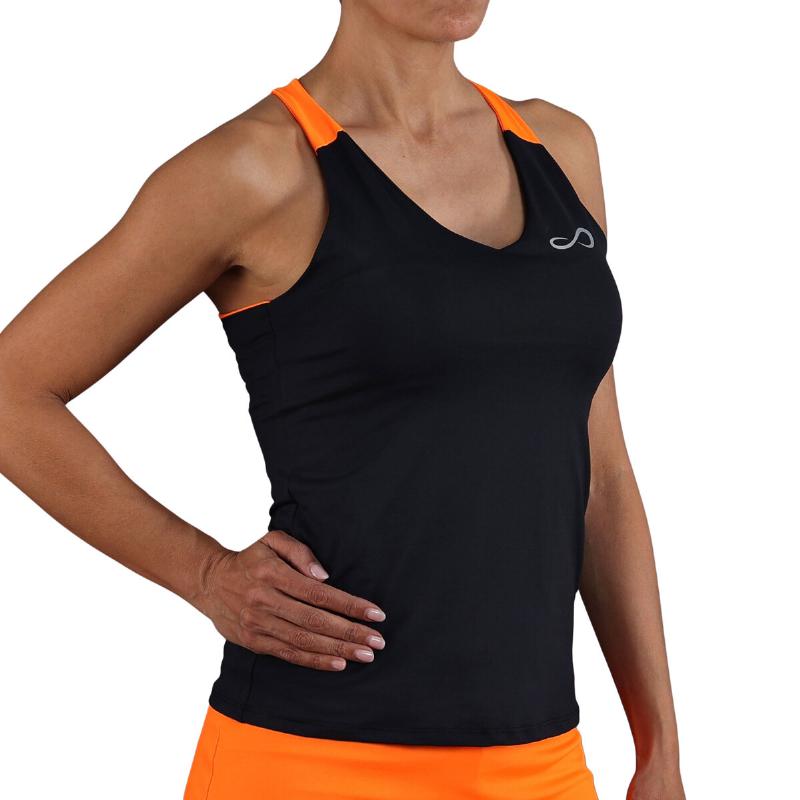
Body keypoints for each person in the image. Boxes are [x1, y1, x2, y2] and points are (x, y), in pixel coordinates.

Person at [0, 1, 686, 798]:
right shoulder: (256, 169)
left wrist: (659, 751)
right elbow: (15, 389)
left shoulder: (559, 147)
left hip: (540, 765)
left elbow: (603, 479)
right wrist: (203, 573)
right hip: (310, 759)